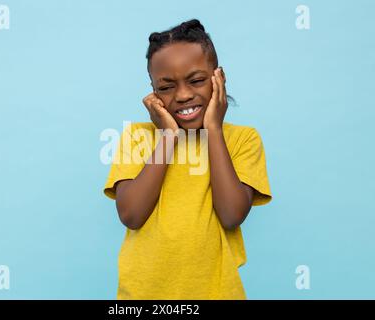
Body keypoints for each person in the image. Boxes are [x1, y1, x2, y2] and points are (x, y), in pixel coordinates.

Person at [103, 19, 272, 299]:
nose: (182, 95)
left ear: (218, 78)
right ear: (153, 90)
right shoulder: (137, 136)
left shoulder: (244, 140)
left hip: (217, 292)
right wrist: (168, 135)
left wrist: (214, 128)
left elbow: (231, 216)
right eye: (166, 87)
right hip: (144, 295)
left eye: (196, 81)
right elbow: (131, 215)